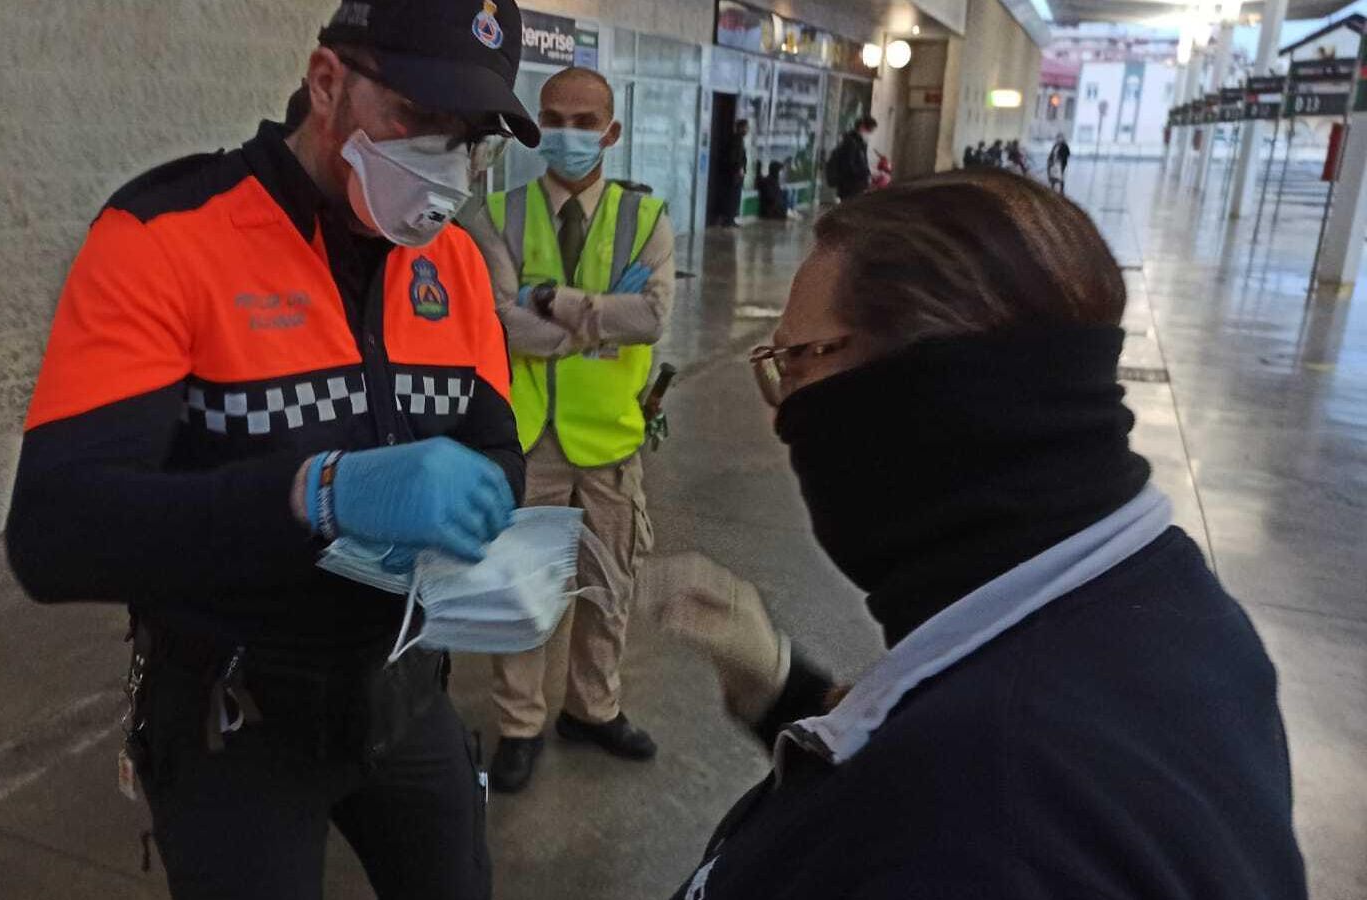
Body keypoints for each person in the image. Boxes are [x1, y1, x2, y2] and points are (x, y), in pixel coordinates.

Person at [644, 169, 1307, 898]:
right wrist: (780, 686)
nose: (780, 414)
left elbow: (947, 806)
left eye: (796, 363)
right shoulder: (1165, 605)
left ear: (926, 390)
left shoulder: (986, 834)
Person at [4, 1, 541, 897]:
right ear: (327, 82)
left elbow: (493, 441)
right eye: (417, 121)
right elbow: (54, 533)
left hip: (404, 695)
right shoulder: (165, 236)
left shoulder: (449, 265)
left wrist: (488, 512)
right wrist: (314, 493)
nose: (445, 171)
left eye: (470, 139)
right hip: (238, 719)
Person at [468, 65, 674, 793]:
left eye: (585, 123)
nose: (568, 134)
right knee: (521, 589)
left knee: (608, 585)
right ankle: (519, 723)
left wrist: (550, 301)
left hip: (612, 438)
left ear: (611, 132)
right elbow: (498, 321)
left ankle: (593, 709)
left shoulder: (645, 220)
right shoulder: (497, 215)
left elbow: (650, 318)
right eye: (554, 118)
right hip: (528, 438)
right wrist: (594, 322)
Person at [828, 116, 876, 201]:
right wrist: (865, 172)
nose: (869, 134)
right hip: (850, 188)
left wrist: (868, 173)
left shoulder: (860, 143)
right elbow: (849, 166)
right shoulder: (851, 143)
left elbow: (861, 162)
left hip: (855, 187)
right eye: (869, 131)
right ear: (862, 127)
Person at [722, 119, 750, 226]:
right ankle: (728, 219)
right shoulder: (736, 140)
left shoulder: (739, 140)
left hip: (736, 174)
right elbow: (734, 157)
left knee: (734, 197)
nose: (747, 130)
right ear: (741, 128)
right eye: (746, 127)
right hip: (734, 174)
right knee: (732, 196)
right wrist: (739, 169)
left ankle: (731, 219)